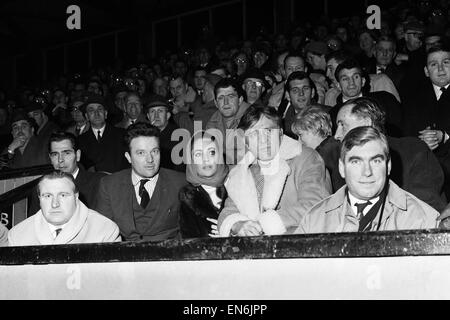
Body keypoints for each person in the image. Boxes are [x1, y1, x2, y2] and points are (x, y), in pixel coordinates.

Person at [296, 126, 439, 234]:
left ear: (388, 165)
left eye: (376, 161)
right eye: (356, 162)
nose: (367, 172)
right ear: (341, 167)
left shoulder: (422, 218)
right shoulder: (314, 219)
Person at [217, 104, 331, 237]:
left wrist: (264, 224)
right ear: (245, 141)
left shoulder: (306, 158)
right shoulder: (241, 172)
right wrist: (238, 225)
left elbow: (316, 205)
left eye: (268, 131)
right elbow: (228, 212)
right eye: (254, 134)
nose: (263, 140)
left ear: (281, 134)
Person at [334, 97, 447, 212]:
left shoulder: (414, 151)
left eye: (342, 125)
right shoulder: (341, 160)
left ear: (366, 122)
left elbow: (425, 210)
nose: (336, 135)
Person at [94, 123, 186, 241]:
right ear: (128, 157)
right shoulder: (109, 185)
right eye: (141, 153)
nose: (150, 159)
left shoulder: (180, 182)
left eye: (154, 151)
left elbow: (189, 230)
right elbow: (103, 231)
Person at [8, 171, 120, 246]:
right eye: (47, 196)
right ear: (39, 199)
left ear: (76, 197)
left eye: (63, 195)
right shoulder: (18, 236)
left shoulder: (105, 231)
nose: (55, 204)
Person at [330, 58, 403, 137]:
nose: (351, 83)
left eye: (356, 77)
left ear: (363, 81)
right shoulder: (332, 115)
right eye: (345, 79)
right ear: (338, 85)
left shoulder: (385, 100)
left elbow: (399, 130)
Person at [179, 130, 229, 238]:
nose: (205, 159)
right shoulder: (188, 196)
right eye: (198, 154)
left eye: (211, 152)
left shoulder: (236, 183)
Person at [291, 105, 344, 192]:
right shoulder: (336, 145)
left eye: (300, 135)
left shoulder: (320, 156)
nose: (299, 141)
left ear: (316, 128)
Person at [77, 94, 128, 173]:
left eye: (100, 109)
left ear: (106, 114)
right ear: (86, 116)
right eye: (91, 110)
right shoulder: (81, 140)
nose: (96, 113)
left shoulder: (122, 134)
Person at [206, 78, 251, 164]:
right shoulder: (213, 123)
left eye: (231, 96)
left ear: (240, 100)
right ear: (216, 103)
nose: (226, 102)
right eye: (221, 98)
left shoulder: (254, 119)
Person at [145, 94, 185, 172]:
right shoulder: (144, 136)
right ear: (148, 116)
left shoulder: (178, 137)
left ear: (168, 115)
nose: (156, 116)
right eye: (153, 111)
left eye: (160, 111)